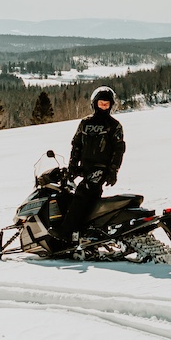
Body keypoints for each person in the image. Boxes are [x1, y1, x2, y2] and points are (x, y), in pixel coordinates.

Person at [65, 85, 126, 245]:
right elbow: (76, 145)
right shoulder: (85, 123)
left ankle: (68, 234)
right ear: (95, 103)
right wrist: (72, 166)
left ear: (111, 105)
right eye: (101, 104)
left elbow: (118, 150)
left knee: (82, 195)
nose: (103, 107)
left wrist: (113, 170)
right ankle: (88, 231)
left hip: (100, 169)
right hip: (84, 167)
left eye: (106, 104)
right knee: (80, 198)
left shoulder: (114, 126)